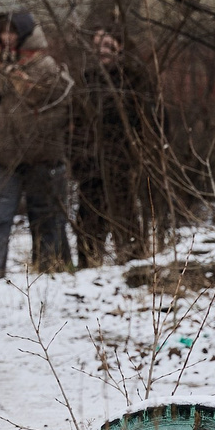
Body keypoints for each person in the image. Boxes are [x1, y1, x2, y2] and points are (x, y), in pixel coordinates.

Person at [0, 8, 75, 295]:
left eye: (12, 31)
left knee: (47, 221)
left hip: (44, 160)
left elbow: (61, 111)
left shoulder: (47, 68)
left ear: (25, 33)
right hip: (5, 161)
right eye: (2, 32)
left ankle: (51, 285)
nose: (6, 37)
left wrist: (38, 135)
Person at [71, 24, 160, 264]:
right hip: (90, 160)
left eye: (109, 45)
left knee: (125, 210)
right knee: (88, 214)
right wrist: (77, 157)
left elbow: (144, 119)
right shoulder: (86, 80)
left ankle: (131, 258)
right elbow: (77, 123)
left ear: (120, 48)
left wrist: (137, 153)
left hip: (121, 157)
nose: (103, 51)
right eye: (98, 45)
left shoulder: (132, 80)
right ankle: (88, 261)